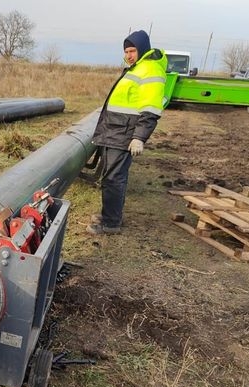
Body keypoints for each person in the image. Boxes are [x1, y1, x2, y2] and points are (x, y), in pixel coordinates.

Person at [86, 30, 167, 235]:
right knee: (111, 177)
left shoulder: (150, 70)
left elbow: (150, 109)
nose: (129, 55)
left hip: (124, 133)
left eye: (132, 50)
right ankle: (109, 215)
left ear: (143, 49)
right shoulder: (138, 67)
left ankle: (111, 223)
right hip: (115, 131)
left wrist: (139, 137)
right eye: (126, 51)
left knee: (114, 178)